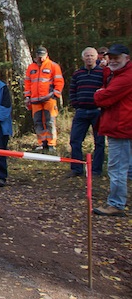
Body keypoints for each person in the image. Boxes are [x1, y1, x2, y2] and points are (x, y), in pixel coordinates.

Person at [93, 44, 131, 217]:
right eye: (111, 58)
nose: (113, 61)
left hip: (121, 127)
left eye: (117, 58)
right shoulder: (119, 74)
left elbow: (104, 98)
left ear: (126, 58)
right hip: (121, 126)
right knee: (126, 168)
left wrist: (99, 93)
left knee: (117, 168)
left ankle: (116, 204)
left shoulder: (126, 77)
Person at [67, 47, 105, 178]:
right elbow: (72, 90)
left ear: (96, 58)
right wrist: (76, 104)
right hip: (81, 111)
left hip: (97, 112)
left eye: (92, 56)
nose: (89, 58)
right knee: (75, 140)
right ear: (83, 58)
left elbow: (106, 90)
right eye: (87, 56)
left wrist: (102, 106)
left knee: (99, 142)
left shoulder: (102, 73)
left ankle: (96, 170)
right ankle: (77, 168)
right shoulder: (78, 74)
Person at [24, 46, 64, 153]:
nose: (41, 59)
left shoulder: (53, 66)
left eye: (43, 56)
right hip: (35, 100)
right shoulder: (31, 67)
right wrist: (27, 97)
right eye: (39, 56)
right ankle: (41, 143)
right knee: (38, 122)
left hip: (49, 99)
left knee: (50, 121)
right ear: (35, 56)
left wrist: (55, 94)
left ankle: (51, 144)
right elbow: (27, 83)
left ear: (46, 55)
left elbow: (59, 82)